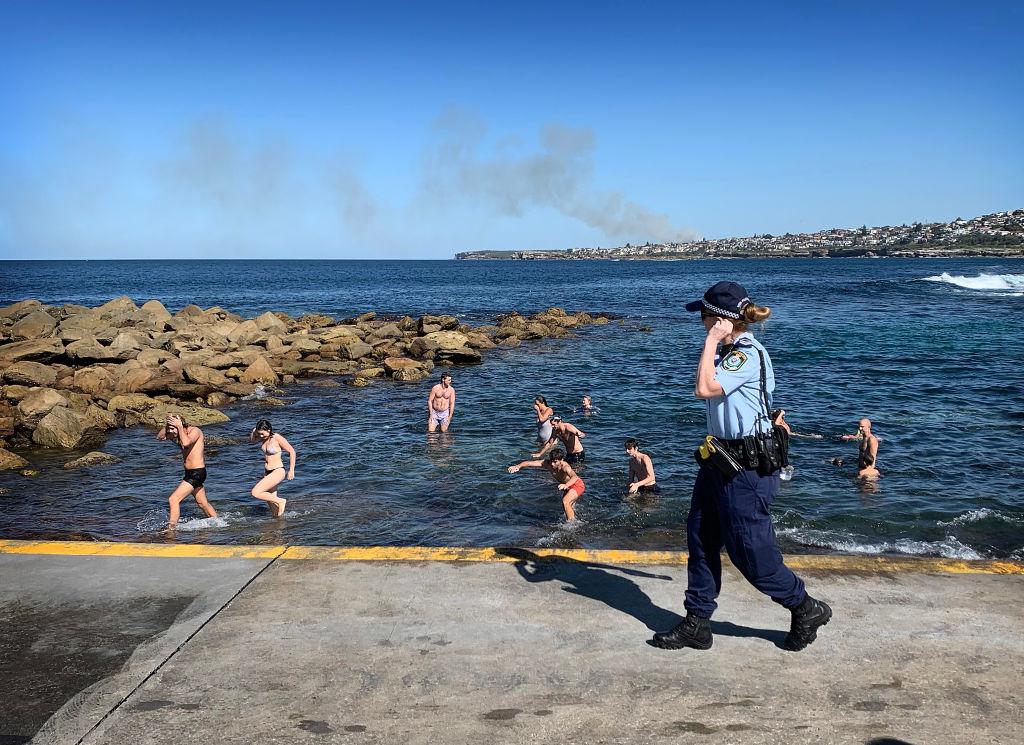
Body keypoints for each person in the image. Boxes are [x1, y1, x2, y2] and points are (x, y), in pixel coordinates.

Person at [651, 281, 832, 653]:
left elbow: (703, 389)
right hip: (719, 460)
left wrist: (711, 342)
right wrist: (717, 344)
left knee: (752, 554)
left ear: (718, 320)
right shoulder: (730, 352)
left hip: (747, 469)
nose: (700, 324)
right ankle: (697, 623)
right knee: (700, 540)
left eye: (704, 318)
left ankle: (804, 606)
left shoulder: (745, 354)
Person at [156, 413, 217, 530]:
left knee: (173, 499)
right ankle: (218, 523)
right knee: (202, 504)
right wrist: (168, 424)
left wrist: (178, 426)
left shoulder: (195, 431)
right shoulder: (178, 433)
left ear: (182, 425)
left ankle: (171, 530)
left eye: (173, 429)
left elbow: (186, 443)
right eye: (170, 429)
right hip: (190, 473)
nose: (172, 432)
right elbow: (160, 437)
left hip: (197, 473)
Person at [507, 447, 586, 521]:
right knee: (567, 506)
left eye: (555, 462)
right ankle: (574, 518)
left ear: (561, 460)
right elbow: (530, 463)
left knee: (565, 502)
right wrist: (518, 466)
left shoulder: (565, 467)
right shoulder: (547, 463)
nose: (552, 464)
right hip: (567, 487)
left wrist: (566, 485)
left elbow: (575, 477)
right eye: (551, 461)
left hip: (576, 485)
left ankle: (572, 525)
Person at [249, 418, 296, 517]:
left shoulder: (277, 438)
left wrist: (291, 470)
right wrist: (254, 431)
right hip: (267, 472)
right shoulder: (263, 439)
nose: (261, 436)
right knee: (270, 502)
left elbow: (292, 451)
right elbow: (252, 441)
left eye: (262, 433)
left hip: (278, 471)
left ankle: (281, 501)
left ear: (269, 430)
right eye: (259, 434)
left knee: (255, 492)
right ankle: (278, 523)